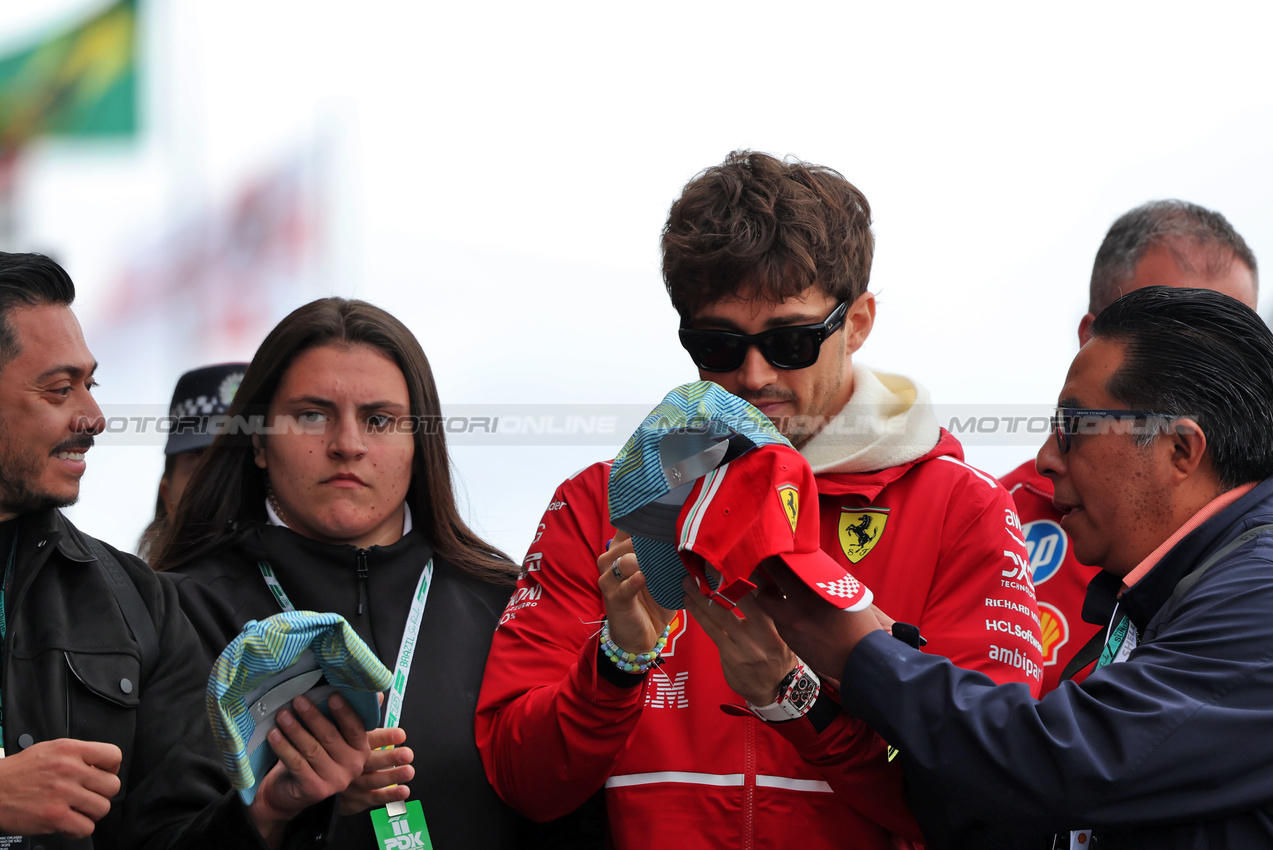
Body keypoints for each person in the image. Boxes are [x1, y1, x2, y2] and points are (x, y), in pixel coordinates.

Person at [476, 151, 1044, 849]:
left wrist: (794, 698)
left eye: (790, 340)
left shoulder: (963, 511)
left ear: (858, 322)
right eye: (716, 343)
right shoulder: (600, 503)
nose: (752, 375)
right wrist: (617, 664)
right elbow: (520, 781)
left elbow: (990, 804)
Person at [763, 286, 1273, 848]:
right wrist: (796, 692)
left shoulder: (1261, 594)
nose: (1048, 459)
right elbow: (996, 812)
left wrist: (866, 656)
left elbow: (1071, 765)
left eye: (1074, 428)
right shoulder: (1159, 607)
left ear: (1181, 449)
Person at [154, 297, 597, 850]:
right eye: (312, 415)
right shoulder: (172, 612)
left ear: (419, 442)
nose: (347, 444)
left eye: (379, 419)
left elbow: (574, 814)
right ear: (260, 443)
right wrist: (272, 814)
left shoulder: (508, 606)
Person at [0, 252, 370, 849]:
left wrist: (266, 816)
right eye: (60, 389)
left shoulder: (138, 602)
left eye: (90, 386)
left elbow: (170, 836)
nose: (94, 417)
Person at [1000, 200, 1258, 694]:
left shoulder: (1254, 560)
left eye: (1233, 339)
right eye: (1173, 336)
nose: (1213, 374)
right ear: (1092, 338)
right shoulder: (986, 516)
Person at [137, 362, 248, 561]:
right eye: (202, 470)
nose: (225, 485)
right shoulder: (138, 591)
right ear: (168, 496)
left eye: (245, 464)